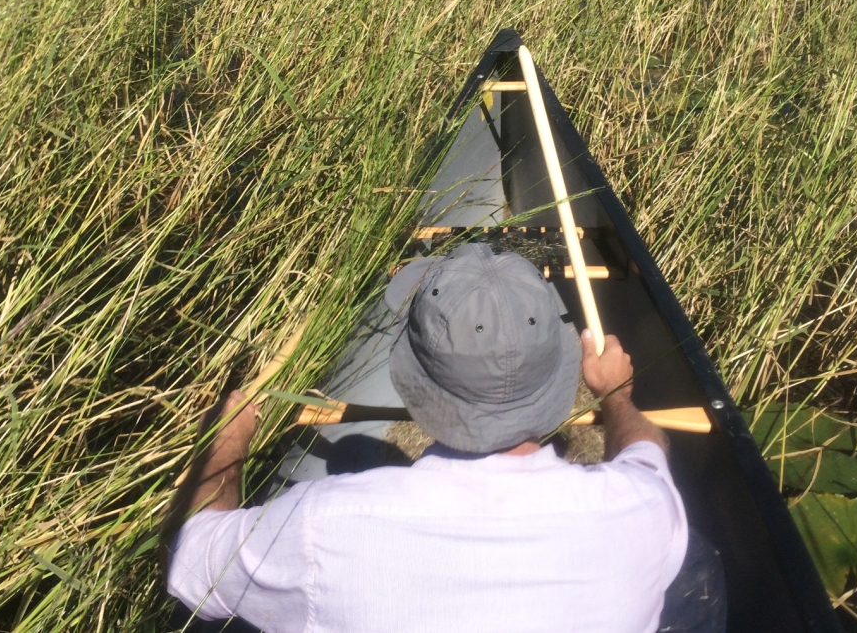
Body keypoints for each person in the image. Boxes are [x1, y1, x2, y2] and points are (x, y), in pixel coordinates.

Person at [167, 242, 721, 632]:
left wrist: (228, 439)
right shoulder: (640, 508)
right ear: (561, 372)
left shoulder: (322, 524)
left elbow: (192, 564)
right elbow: (647, 450)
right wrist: (617, 396)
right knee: (695, 557)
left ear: (415, 389)